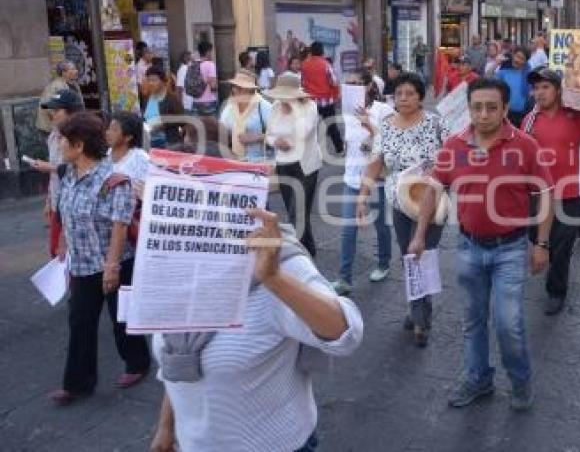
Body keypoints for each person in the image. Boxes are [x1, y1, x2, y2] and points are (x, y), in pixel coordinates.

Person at [149, 208, 363, 452]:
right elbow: (177, 351)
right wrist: (166, 426)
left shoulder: (277, 260)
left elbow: (347, 334)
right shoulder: (171, 259)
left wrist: (274, 278)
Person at [410, 77, 554, 411]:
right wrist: (419, 235)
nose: (484, 114)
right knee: (473, 320)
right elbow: (433, 191)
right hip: (469, 247)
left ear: (505, 109)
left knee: (508, 323)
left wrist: (542, 243)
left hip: (511, 248)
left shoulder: (525, 145)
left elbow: (545, 195)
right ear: (469, 109)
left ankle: (520, 381)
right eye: (477, 107)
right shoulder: (454, 146)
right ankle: (478, 379)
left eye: (492, 107)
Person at [49, 112, 151, 404]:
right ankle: (78, 383)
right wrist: (62, 243)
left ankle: (138, 363)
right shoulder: (69, 173)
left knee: (122, 319)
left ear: (79, 146)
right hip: (82, 265)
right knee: (80, 322)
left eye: (65, 142)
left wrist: (112, 267)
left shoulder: (114, 180)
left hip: (113, 261)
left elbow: (119, 226)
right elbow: (65, 212)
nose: (60, 148)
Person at [358, 74, 446, 347]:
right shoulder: (386, 126)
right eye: (399, 94)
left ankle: (421, 319)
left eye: (410, 93)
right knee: (409, 256)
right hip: (398, 201)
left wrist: (439, 168)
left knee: (421, 255)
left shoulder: (435, 122)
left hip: (430, 200)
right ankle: (417, 307)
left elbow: (453, 156)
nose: (404, 98)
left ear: (420, 96)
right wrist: (362, 195)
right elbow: (376, 162)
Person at [521, 69, 580, 315]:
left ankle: (556, 291)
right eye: (536, 89)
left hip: (570, 191)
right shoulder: (529, 119)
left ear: (558, 90)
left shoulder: (578, 117)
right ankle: (542, 252)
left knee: (562, 244)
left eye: (545, 87)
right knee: (535, 235)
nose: (539, 93)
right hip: (537, 193)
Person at [331, 71, 395, 295]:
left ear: (369, 86)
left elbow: (391, 142)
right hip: (352, 177)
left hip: (376, 176)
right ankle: (344, 278)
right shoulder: (347, 112)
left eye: (358, 83)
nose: (353, 87)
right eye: (349, 83)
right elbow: (351, 143)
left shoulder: (383, 110)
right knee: (348, 229)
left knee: (380, 225)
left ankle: (384, 262)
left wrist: (369, 128)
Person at [265, 72, 322, 256]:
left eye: (286, 95)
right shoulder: (275, 107)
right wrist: (276, 142)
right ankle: (309, 249)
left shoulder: (310, 107)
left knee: (297, 213)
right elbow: (269, 135)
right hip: (283, 163)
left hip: (305, 165)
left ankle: (300, 255)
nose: (282, 99)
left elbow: (303, 132)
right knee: (296, 213)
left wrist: (293, 110)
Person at [31, 89, 84, 257]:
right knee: (55, 252)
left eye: (56, 111)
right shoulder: (53, 136)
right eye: (51, 111)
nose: (52, 115)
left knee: (68, 252)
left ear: (71, 113)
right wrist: (48, 200)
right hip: (57, 201)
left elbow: (82, 168)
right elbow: (54, 174)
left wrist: (50, 167)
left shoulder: (82, 137)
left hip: (76, 204)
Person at [219, 69, 273, 162]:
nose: (235, 90)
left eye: (240, 88)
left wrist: (259, 137)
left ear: (251, 90)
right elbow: (222, 130)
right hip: (234, 161)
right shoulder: (229, 106)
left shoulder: (264, 107)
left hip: (259, 162)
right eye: (234, 86)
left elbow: (281, 135)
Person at [301, 42, 343, 155]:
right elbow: (333, 81)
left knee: (311, 128)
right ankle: (340, 149)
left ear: (311, 51)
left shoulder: (304, 64)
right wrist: (336, 94)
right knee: (331, 125)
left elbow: (303, 82)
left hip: (311, 101)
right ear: (322, 51)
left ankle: (310, 152)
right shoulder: (325, 64)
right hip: (326, 101)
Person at [142, 65, 185, 149]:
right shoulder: (148, 98)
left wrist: (163, 123)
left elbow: (182, 120)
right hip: (151, 142)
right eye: (149, 80)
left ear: (163, 81)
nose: (151, 83)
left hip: (169, 143)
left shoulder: (172, 98)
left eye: (154, 80)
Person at [36, 60, 84, 134]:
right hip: (53, 129)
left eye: (75, 69)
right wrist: (58, 118)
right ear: (63, 73)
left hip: (70, 125)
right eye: (72, 69)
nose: (76, 71)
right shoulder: (57, 87)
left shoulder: (74, 84)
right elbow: (45, 104)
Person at [106, 111, 149, 192]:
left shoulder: (141, 159)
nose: (108, 133)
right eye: (109, 128)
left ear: (128, 137)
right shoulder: (107, 154)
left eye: (114, 130)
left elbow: (146, 191)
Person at [496, 48, 532, 127]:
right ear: (513, 56)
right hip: (504, 115)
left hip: (523, 116)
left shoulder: (529, 74)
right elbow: (490, 82)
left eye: (522, 58)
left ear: (525, 62)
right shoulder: (503, 72)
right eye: (517, 56)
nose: (517, 60)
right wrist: (496, 65)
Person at [192, 41, 219, 117]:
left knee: (198, 126)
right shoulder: (210, 65)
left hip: (195, 101)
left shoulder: (194, 64)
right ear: (207, 52)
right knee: (210, 126)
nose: (211, 53)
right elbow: (213, 86)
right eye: (211, 51)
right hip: (208, 101)